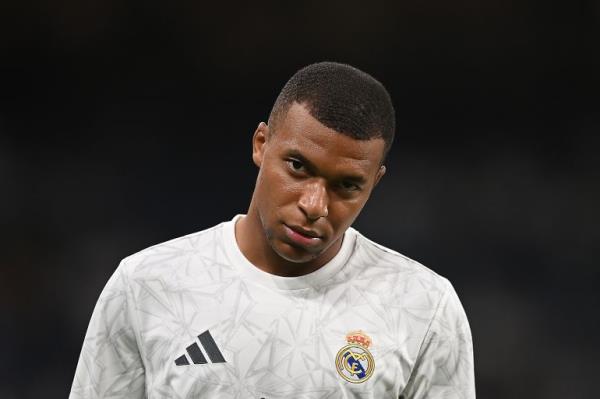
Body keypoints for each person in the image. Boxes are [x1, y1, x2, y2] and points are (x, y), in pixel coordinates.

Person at [70, 62, 475, 398]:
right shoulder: (147, 285)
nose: (314, 205)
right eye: (298, 167)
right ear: (261, 143)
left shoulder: (423, 307)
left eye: (347, 185)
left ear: (375, 184)